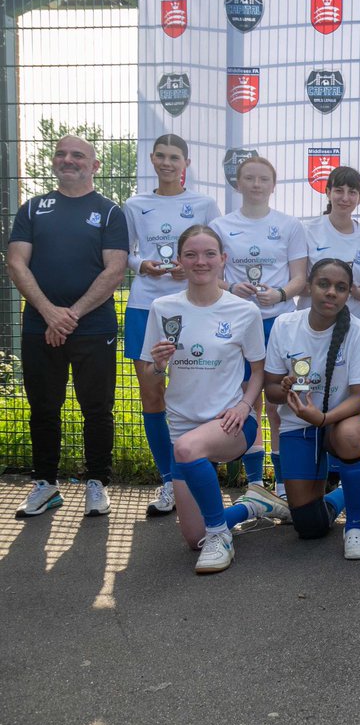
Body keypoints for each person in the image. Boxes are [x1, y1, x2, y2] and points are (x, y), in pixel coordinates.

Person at [140, 225, 286, 573]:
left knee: (189, 453)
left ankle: (221, 535)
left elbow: (258, 371)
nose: (200, 261)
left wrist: (244, 405)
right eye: (191, 254)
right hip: (182, 430)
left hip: (231, 424)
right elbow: (150, 376)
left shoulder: (243, 311)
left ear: (223, 260)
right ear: (179, 261)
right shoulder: (162, 308)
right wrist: (159, 365)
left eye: (209, 254)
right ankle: (254, 505)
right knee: (193, 539)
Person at [10, 135, 128, 519]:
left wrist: (69, 315)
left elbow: (115, 270)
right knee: (43, 407)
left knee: (97, 408)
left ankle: (96, 482)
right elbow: (16, 263)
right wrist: (48, 312)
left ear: (94, 166)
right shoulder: (32, 208)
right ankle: (45, 484)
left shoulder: (110, 212)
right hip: (39, 326)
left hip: (93, 327)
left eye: (78, 155)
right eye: (61, 154)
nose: (67, 160)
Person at [122, 134, 222, 517]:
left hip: (192, 308)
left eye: (174, 157)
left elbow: (214, 249)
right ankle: (168, 480)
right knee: (153, 396)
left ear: (187, 163)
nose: (167, 163)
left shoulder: (203, 204)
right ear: (151, 159)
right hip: (146, 306)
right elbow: (126, 254)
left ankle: (199, 475)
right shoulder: (135, 204)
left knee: (197, 389)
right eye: (161, 156)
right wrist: (141, 266)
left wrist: (193, 265)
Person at [263, 258, 360, 559]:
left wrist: (323, 418)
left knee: (353, 435)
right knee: (308, 527)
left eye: (340, 288)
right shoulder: (284, 325)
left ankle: (354, 526)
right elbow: (271, 390)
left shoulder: (358, 331)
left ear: (348, 294)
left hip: (338, 422)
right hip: (298, 426)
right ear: (310, 286)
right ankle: (348, 493)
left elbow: (358, 398)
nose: (331, 293)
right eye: (324, 284)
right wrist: (285, 387)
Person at [211, 157, 308, 499]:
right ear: (237, 184)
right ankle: (254, 483)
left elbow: (300, 278)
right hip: (236, 324)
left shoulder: (289, 225)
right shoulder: (221, 226)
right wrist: (229, 288)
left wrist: (280, 293)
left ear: (273, 184)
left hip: (279, 324)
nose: (255, 184)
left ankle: (282, 484)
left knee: (279, 403)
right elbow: (213, 274)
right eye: (249, 178)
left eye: (262, 178)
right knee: (245, 401)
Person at [298, 166, 360, 325]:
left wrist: (351, 290)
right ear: (328, 192)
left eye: (352, 192)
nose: (345, 198)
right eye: (339, 190)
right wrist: (325, 289)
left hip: (353, 323)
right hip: (311, 323)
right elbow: (298, 283)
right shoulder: (307, 231)